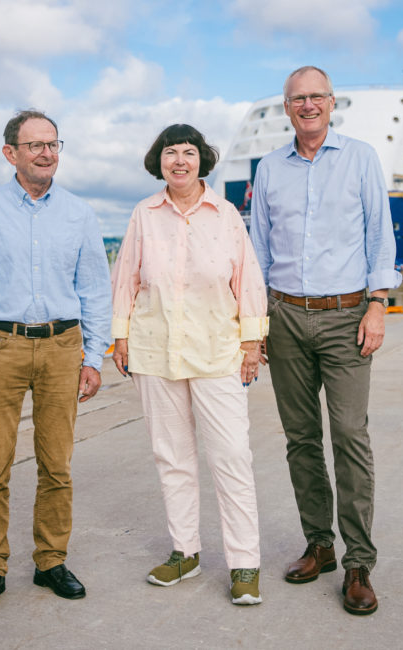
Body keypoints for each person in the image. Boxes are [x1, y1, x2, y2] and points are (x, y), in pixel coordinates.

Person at [0, 109, 111, 611]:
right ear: (10, 152)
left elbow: (95, 289)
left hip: (63, 346)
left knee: (56, 463)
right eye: (35, 145)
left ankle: (50, 561)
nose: (46, 153)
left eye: (53, 144)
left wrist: (93, 356)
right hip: (0, 345)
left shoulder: (79, 212)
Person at [249, 66, 402, 616]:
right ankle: (320, 545)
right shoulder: (269, 167)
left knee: (349, 434)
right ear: (287, 107)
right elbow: (257, 249)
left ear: (332, 103)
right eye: (298, 99)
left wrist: (379, 305)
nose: (307, 105)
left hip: (347, 316)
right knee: (300, 438)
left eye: (316, 97)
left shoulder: (359, 157)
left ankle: (360, 561)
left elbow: (380, 234)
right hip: (284, 315)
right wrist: (255, 323)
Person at [111, 124, 269, 606]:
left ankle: (244, 563)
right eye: (169, 153)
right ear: (157, 160)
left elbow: (248, 282)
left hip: (217, 352)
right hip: (155, 351)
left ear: (203, 159)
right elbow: (127, 277)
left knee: (232, 458)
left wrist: (252, 344)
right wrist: (120, 336)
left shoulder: (225, 216)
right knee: (172, 457)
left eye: (188, 152)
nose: (179, 160)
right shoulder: (144, 214)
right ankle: (186, 551)